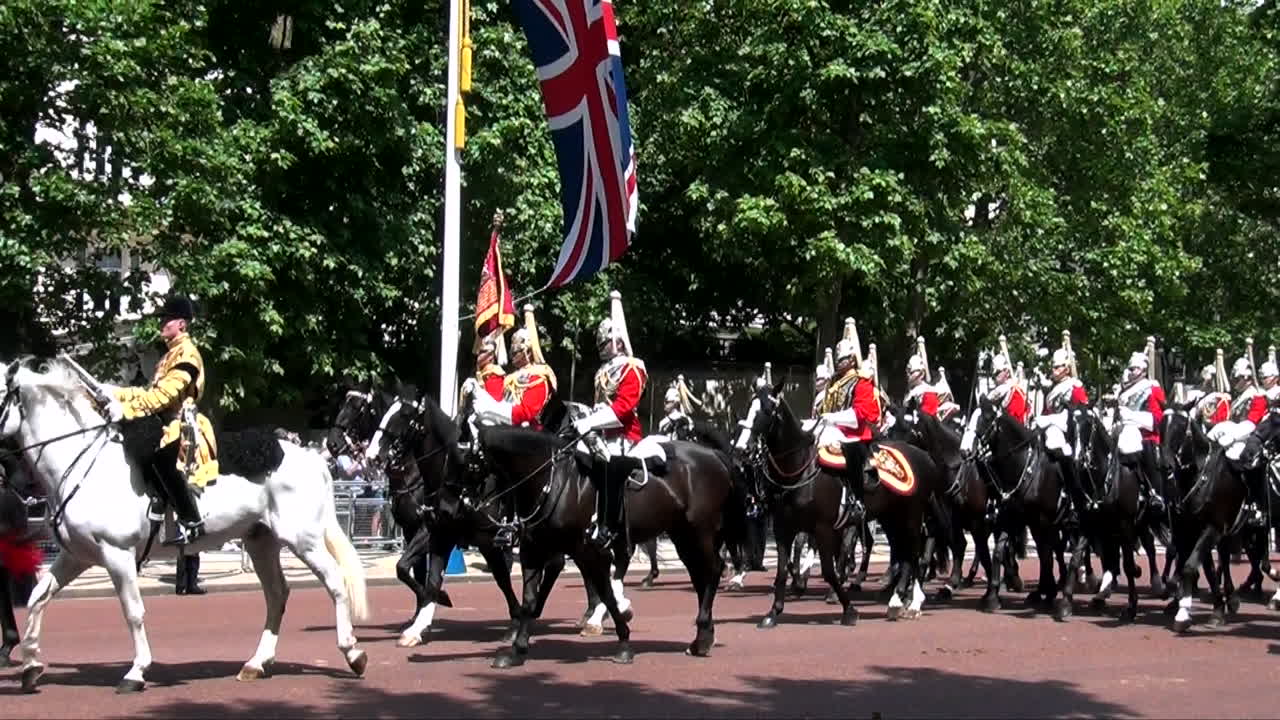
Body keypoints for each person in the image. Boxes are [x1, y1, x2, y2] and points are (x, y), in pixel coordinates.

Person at [106, 295, 217, 548]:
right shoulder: (168, 356)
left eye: (167, 319)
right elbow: (148, 392)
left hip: (181, 423)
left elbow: (164, 397)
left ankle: (190, 521)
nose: (162, 323)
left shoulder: (187, 355)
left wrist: (125, 410)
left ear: (182, 324)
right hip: (163, 420)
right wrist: (114, 392)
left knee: (164, 459)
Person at [574, 291, 648, 549]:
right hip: (601, 435)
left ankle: (610, 526)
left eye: (605, 343)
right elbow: (600, 405)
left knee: (611, 467)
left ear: (617, 341)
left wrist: (591, 422)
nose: (601, 348)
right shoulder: (603, 370)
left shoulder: (632, 367)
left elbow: (624, 409)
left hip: (624, 437)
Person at [815, 318, 880, 522]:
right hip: (834, 431)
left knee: (852, 453)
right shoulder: (835, 384)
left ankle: (857, 500)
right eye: (838, 359)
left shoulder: (861, 382)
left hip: (855, 435)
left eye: (842, 359)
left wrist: (832, 418)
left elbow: (859, 416)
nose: (838, 362)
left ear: (852, 359)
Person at [1114, 348, 1167, 516]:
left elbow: (1157, 419)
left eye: (1134, 369)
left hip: (1146, 436)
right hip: (1124, 434)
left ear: (1143, 370)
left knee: (1148, 454)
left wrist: (1131, 417)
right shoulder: (1124, 391)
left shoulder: (1151, 389)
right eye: (1129, 369)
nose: (1130, 372)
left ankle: (1155, 494)